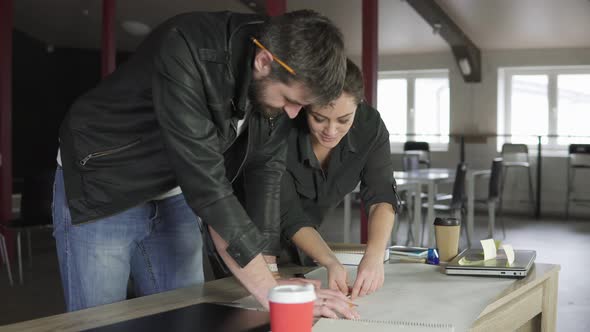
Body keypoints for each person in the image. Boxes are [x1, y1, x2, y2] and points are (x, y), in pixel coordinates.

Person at [53, 10, 358, 319]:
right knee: (99, 322)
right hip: (105, 178)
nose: (293, 113)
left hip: (174, 187)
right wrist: (271, 293)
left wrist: (270, 274)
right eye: (290, 100)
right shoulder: (187, 48)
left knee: (184, 316)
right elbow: (209, 190)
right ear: (264, 62)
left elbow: (265, 169)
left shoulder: (279, 64)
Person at [277, 59, 399, 299]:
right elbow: (288, 214)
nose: (331, 131)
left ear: (359, 104)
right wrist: (330, 261)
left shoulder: (369, 126)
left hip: (304, 250)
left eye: (344, 119)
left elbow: (381, 194)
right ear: (304, 105)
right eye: (319, 118)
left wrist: (374, 256)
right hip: (251, 241)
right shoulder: (281, 128)